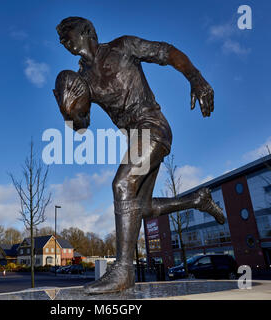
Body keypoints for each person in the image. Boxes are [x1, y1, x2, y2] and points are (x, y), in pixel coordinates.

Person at [55, 17, 225, 294]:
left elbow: (167, 52)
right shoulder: (82, 80)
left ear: (86, 31)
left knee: (122, 184)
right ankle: (197, 200)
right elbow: (82, 125)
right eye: (61, 39)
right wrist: (68, 112)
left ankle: (123, 272)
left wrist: (196, 78)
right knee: (141, 208)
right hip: (137, 140)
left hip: (153, 128)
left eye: (67, 33)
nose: (64, 40)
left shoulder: (122, 47)